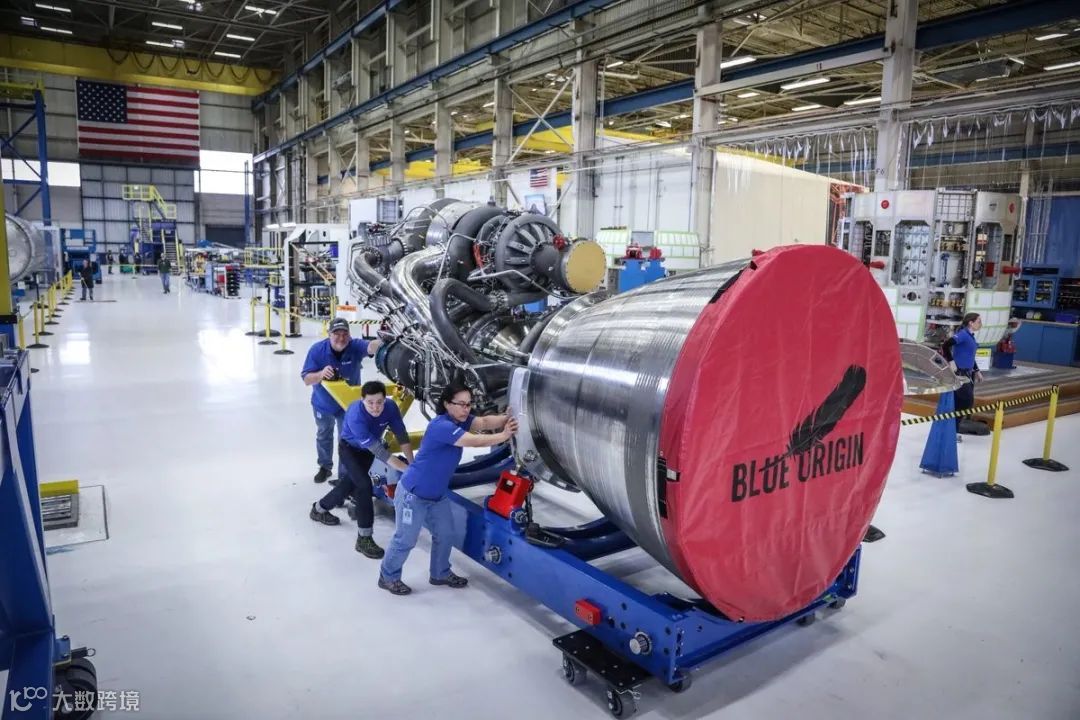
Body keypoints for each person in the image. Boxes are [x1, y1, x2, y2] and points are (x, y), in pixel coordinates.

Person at [378, 381, 517, 596]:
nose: (465, 409)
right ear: (446, 404)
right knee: (406, 539)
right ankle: (388, 577)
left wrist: (506, 418)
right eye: (460, 404)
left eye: (468, 404)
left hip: (436, 495)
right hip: (413, 495)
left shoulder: (462, 419)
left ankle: (440, 573)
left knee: (446, 534)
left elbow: (484, 421)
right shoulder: (441, 426)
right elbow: (474, 441)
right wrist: (503, 436)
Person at [309, 380, 414, 558]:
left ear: (385, 399)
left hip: (367, 452)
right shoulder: (356, 415)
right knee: (364, 486)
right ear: (362, 400)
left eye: (379, 402)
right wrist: (408, 470)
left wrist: (412, 463)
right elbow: (381, 453)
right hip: (349, 450)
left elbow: (402, 436)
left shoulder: (390, 407)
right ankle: (364, 539)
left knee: (348, 485)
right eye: (370, 402)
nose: (375, 407)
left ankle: (319, 509)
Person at [300, 318, 383, 486]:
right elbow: (306, 379)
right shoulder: (317, 350)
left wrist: (385, 340)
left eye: (345, 334)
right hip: (323, 404)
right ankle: (325, 466)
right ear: (329, 334)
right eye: (336, 334)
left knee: (346, 440)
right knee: (324, 434)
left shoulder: (354, 346)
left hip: (348, 406)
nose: (341, 338)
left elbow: (371, 347)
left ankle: (344, 476)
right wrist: (321, 374)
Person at [942, 312, 984, 437]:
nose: (980, 324)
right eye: (978, 321)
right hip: (960, 373)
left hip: (969, 374)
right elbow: (945, 345)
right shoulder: (963, 335)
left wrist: (977, 371)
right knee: (966, 402)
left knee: (962, 402)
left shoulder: (971, 337)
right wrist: (951, 362)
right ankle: (952, 430)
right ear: (971, 323)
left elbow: (970, 356)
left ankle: (953, 430)